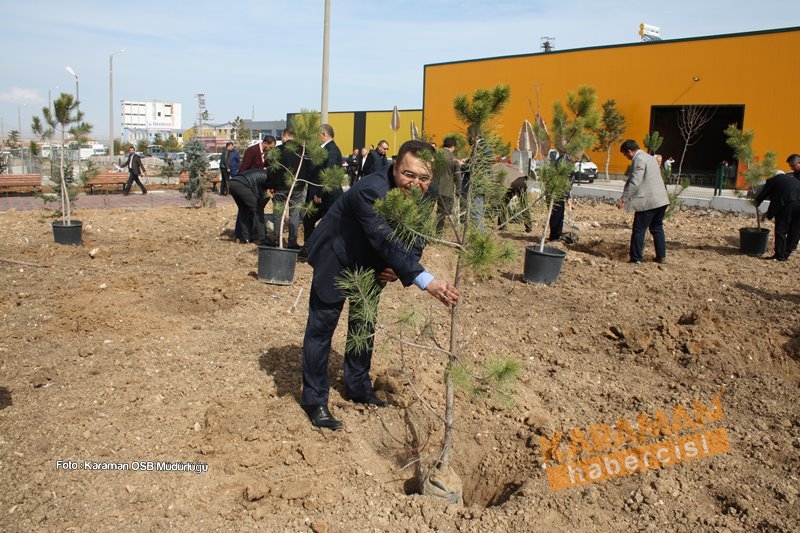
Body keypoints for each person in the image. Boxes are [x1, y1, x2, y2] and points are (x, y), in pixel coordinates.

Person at [299, 140, 461, 430]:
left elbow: (415, 235)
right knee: (321, 329)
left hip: (374, 263)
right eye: (409, 174)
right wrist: (427, 281)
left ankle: (358, 388)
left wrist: (398, 269)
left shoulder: (423, 194)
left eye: (423, 178)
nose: (415, 183)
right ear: (395, 166)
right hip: (337, 257)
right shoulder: (372, 190)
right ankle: (314, 401)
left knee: (363, 326)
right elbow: (385, 240)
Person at [615, 139, 670, 264]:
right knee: (657, 228)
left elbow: (635, 181)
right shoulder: (650, 158)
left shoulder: (639, 159)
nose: (626, 157)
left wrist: (623, 199)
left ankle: (636, 258)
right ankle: (661, 256)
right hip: (661, 200)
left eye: (625, 154)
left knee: (639, 230)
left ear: (629, 151)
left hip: (648, 202)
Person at [300, 124, 344, 254]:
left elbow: (328, 174)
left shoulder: (332, 150)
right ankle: (309, 249)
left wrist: (320, 194)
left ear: (324, 134)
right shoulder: (324, 149)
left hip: (326, 196)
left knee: (326, 225)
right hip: (319, 194)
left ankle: (315, 250)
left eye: (317, 134)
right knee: (308, 221)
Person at [753, 154, 800, 261]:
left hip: (787, 205)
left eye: (792, 166)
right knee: (795, 229)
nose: (791, 168)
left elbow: (764, 193)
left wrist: (756, 202)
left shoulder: (773, 180)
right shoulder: (794, 179)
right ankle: (787, 253)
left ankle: (779, 255)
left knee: (781, 230)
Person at [270, 128, 307, 249]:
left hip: (279, 187)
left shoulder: (277, 150)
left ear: (285, 136)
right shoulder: (302, 151)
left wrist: (270, 185)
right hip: (297, 187)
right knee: (294, 214)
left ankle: (277, 240)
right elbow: (308, 169)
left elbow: (271, 170)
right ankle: (292, 242)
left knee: (278, 214)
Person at [229, 167, 285, 245]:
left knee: (243, 210)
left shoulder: (264, 174)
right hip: (243, 185)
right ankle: (263, 239)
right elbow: (259, 199)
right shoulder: (269, 178)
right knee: (258, 210)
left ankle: (245, 238)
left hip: (233, 183)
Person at [430, 137, 460, 232]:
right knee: (441, 214)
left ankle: (421, 230)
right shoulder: (453, 159)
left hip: (431, 186)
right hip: (446, 189)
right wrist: (459, 190)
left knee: (426, 210)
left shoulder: (434, 155)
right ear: (452, 146)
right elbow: (457, 177)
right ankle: (438, 233)